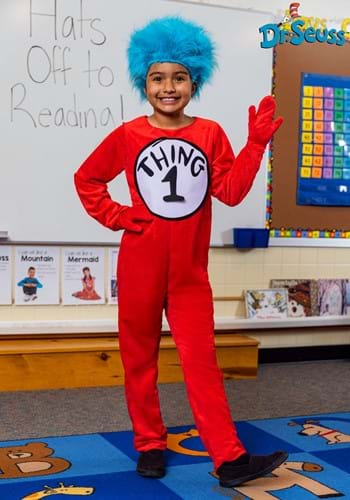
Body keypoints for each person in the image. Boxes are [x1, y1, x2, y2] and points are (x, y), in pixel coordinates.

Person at [74, 16, 287, 488]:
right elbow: (86, 179)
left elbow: (229, 193)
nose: (168, 87)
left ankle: (228, 458)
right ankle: (149, 444)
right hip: (140, 266)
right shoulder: (128, 136)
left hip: (191, 272)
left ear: (195, 80)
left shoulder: (210, 134)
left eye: (179, 77)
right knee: (138, 357)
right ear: (143, 82)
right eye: (157, 77)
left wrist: (254, 146)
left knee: (202, 361)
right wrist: (119, 216)